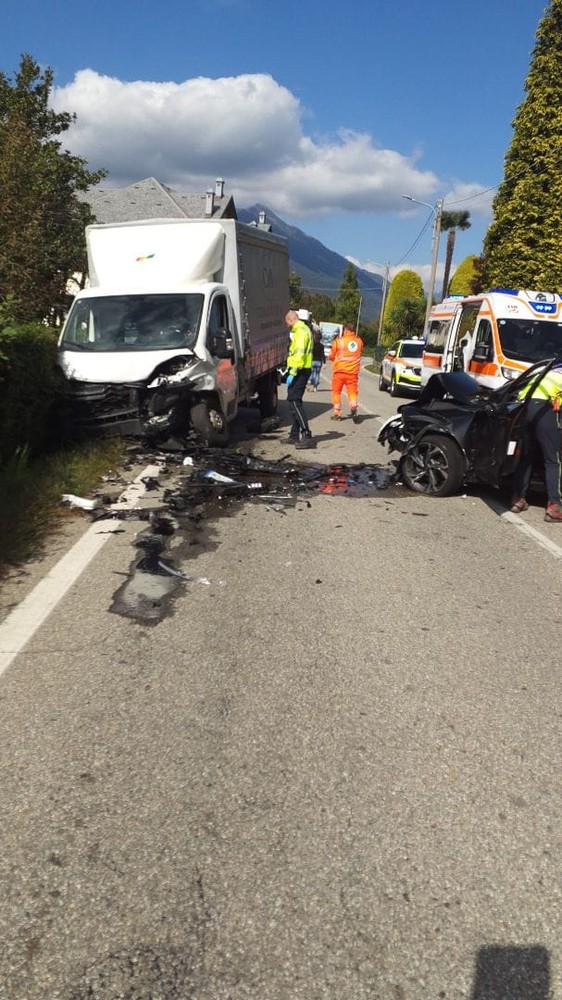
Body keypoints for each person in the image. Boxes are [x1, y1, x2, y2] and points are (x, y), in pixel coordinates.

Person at [510, 362, 562, 522]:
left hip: (527, 410)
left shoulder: (546, 371)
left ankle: (518, 499)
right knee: (553, 460)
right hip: (546, 411)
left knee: (526, 457)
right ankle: (555, 507)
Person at [283, 309, 314, 448]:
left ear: (291, 320)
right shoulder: (304, 329)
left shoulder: (300, 332)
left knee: (295, 402)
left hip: (300, 370)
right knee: (294, 402)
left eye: (287, 323)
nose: (287, 326)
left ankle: (306, 435)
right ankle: (294, 435)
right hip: (302, 370)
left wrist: (293, 372)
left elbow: (299, 354)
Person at [328, 322, 364, 422]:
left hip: (339, 372)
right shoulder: (359, 342)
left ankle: (337, 413)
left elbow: (331, 356)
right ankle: (353, 406)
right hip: (353, 373)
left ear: (345, 330)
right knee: (352, 392)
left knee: (336, 392)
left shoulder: (339, 342)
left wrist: (333, 359)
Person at [308, 326, 325, 391]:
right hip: (319, 361)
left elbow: (310, 353)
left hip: (312, 361)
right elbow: (323, 354)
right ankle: (315, 387)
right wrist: (324, 362)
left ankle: (310, 380)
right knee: (317, 374)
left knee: (311, 372)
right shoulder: (322, 346)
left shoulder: (312, 345)